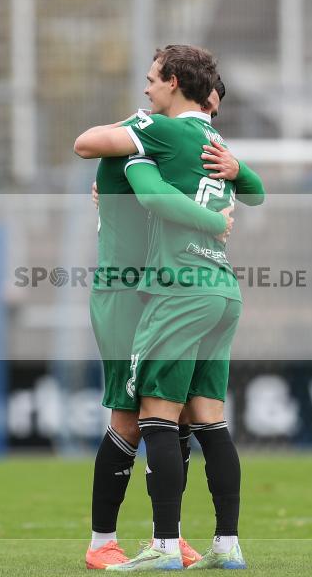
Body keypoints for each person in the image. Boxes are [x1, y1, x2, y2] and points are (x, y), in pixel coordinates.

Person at [75, 45, 264, 571]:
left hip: (164, 289)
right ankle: (102, 541)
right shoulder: (144, 138)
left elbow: (167, 197)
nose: (146, 89)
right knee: (131, 416)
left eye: (152, 80)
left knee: (173, 415)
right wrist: (215, 217)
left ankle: (170, 536)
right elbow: (92, 147)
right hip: (124, 289)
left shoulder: (174, 143)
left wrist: (234, 172)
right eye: (213, 105)